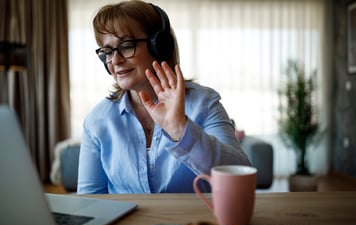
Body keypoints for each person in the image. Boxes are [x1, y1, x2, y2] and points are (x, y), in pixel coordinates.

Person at [77, 0, 250, 194]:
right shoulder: (96, 121)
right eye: (107, 51)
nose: (115, 60)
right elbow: (90, 201)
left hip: (194, 223)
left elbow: (240, 176)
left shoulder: (204, 103)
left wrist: (180, 129)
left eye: (126, 46)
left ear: (159, 46)